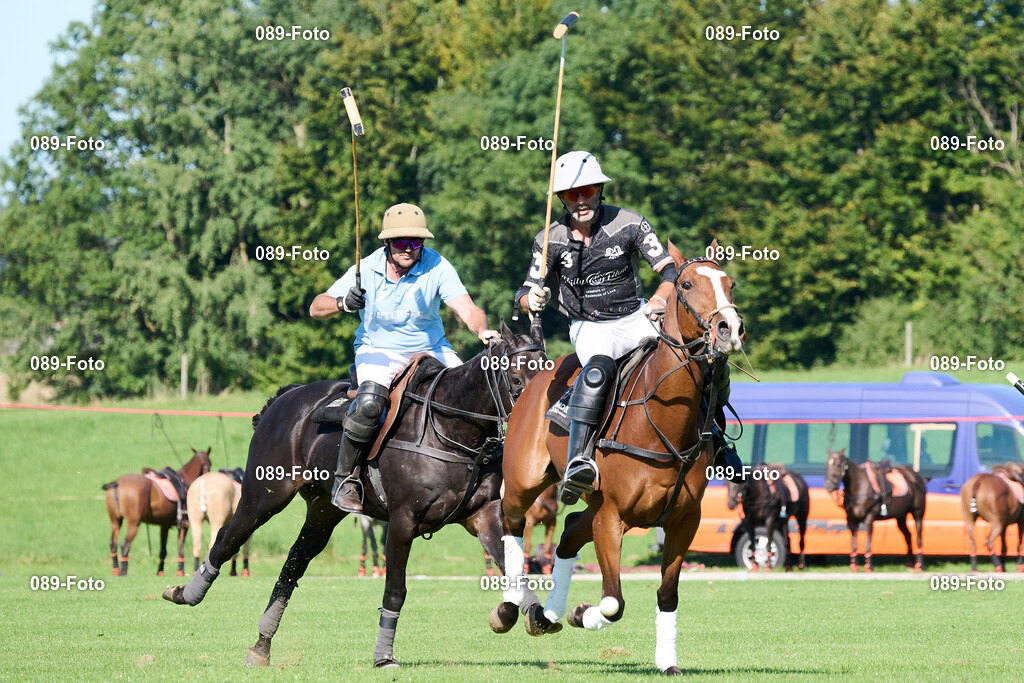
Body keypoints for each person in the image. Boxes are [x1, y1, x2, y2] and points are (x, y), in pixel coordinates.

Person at [515, 151, 741, 504]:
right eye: (572, 194)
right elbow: (526, 291)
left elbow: (669, 270)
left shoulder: (631, 222)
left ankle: (718, 439)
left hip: (636, 317)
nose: (581, 200)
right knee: (598, 370)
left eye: (587, 190)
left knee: (697, 360)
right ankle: (580, 461)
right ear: (561, 198)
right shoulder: (550, 238)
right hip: (589, 326)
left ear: (599, 190)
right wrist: (533, 300)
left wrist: (658, 300)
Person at [310, 202, 499, 513]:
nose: (409, 249)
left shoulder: (436, 265)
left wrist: (482, 331)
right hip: (378, 350)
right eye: (401, 242)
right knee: (370, 403)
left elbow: (467, 307)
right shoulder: (366, 268)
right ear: (387, 243)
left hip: (431, 348)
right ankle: (346, 479)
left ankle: (491, 467)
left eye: (416, 242)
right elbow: (316, 307)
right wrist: (344, 302)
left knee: (476, 390)